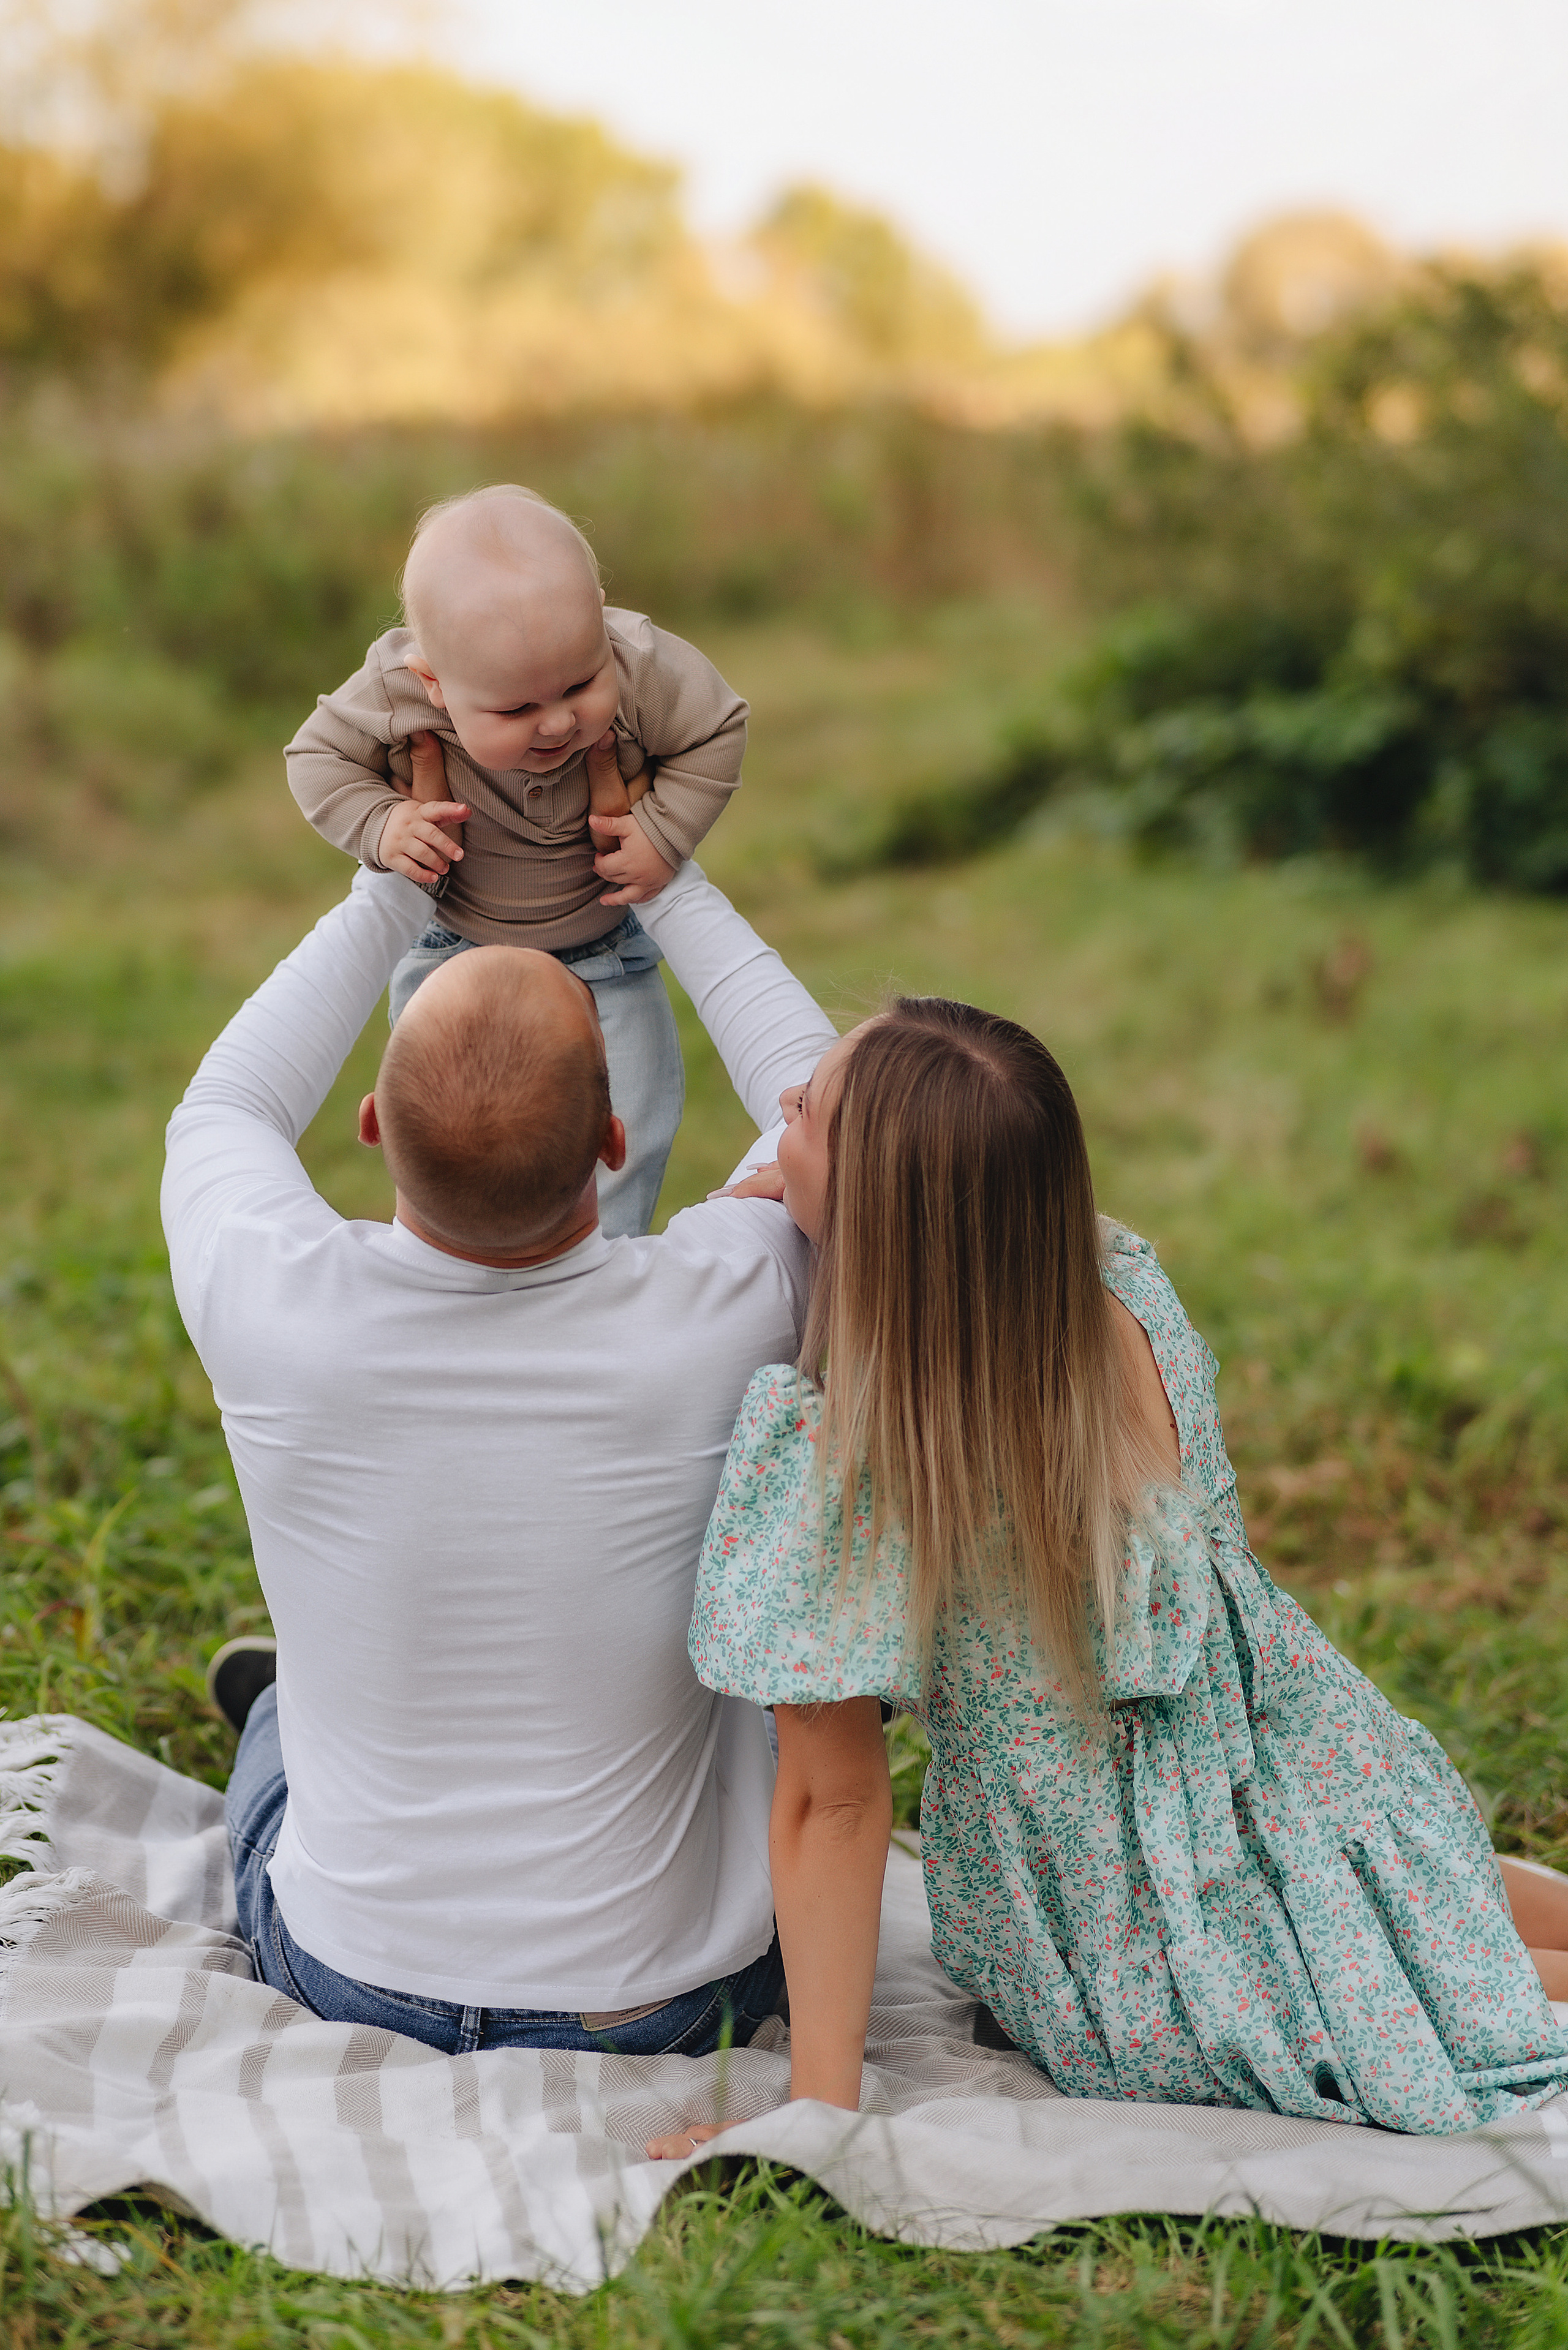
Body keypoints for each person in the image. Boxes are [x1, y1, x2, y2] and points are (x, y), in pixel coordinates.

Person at [652, 995, 1568, 2152]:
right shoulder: (1125, 1288)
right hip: (1320, 1771)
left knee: (1418, 1998)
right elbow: (985, 1194)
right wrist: (838, 1180)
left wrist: (819, 2100)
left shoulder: (863, 1458)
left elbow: (832, 1796)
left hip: (1136, 1912)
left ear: (882, 1218)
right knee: (1421, 1907)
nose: (778, 1115)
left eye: (805, 1113)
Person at [166, 735, 839, 2058]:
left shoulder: (272, 1297)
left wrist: (395, 880)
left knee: (292, 1729)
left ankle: (291, 1710)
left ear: (370, 1124)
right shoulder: (731, 1299)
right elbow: (824, 1098)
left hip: (351, 1975)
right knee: (745, 1700)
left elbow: (228, 1102)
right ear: (611, 1139)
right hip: (659, 2006)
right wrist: (661, 873)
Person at [284, 483, 750, 1235]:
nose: (560, 722)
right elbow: (314, 757)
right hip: (453, 954)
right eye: (516, 710)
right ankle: (462, 1276)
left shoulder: (641, 665)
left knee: (621, 1141)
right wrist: (384, 821)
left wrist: (664, 830)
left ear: (598, 616)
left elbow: (716, 730)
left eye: (579, 684)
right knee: (461, 1145)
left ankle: (602, 1274)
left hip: (600, 957)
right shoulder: (396, 688)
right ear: (433, 681)